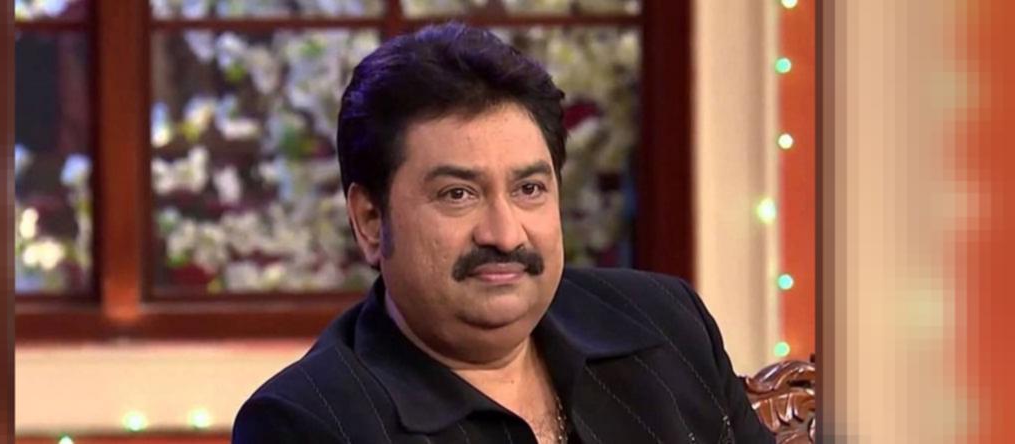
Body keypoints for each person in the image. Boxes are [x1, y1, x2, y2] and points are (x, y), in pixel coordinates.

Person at [232, 22, 774, 443]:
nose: (505, 233)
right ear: (371, 222)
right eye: (457, 194)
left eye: (529, 189)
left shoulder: (666, 321)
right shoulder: (309, 424)